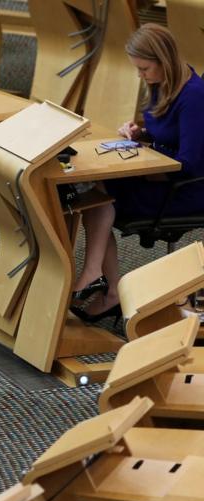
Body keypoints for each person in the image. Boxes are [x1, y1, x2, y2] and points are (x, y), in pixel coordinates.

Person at [72, 23, 204, 322]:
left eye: (144, 68)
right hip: (159, 176)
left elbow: (190, 164)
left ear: (163, 60)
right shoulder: (162, 85)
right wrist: (139, 134)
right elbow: (167, 135)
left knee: (100, 197)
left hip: (184, 191)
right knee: (93, 195)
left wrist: (140, 170)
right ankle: (101, 282)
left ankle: (99, 280)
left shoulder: (195, 96)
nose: (140, 75)